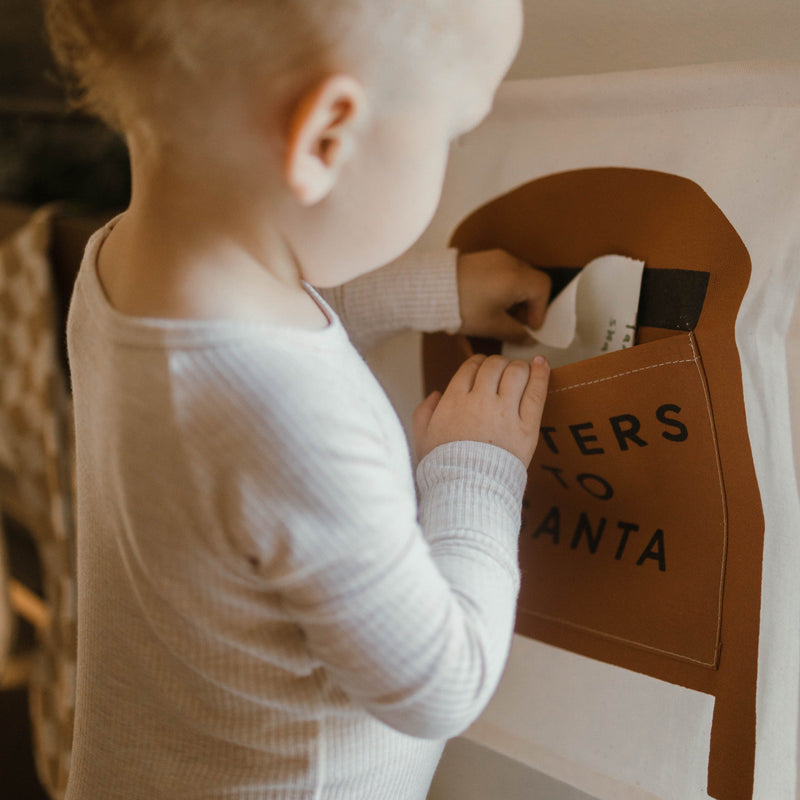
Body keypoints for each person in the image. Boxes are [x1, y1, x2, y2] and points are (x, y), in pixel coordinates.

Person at [44, 0, 552, 797]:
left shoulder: (122, 270)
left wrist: (436, 289)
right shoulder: (285, 422)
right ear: (326, 138)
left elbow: (277, 330)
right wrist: (474, 464)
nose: (451, 152)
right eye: (452, 132)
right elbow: (443, 682)